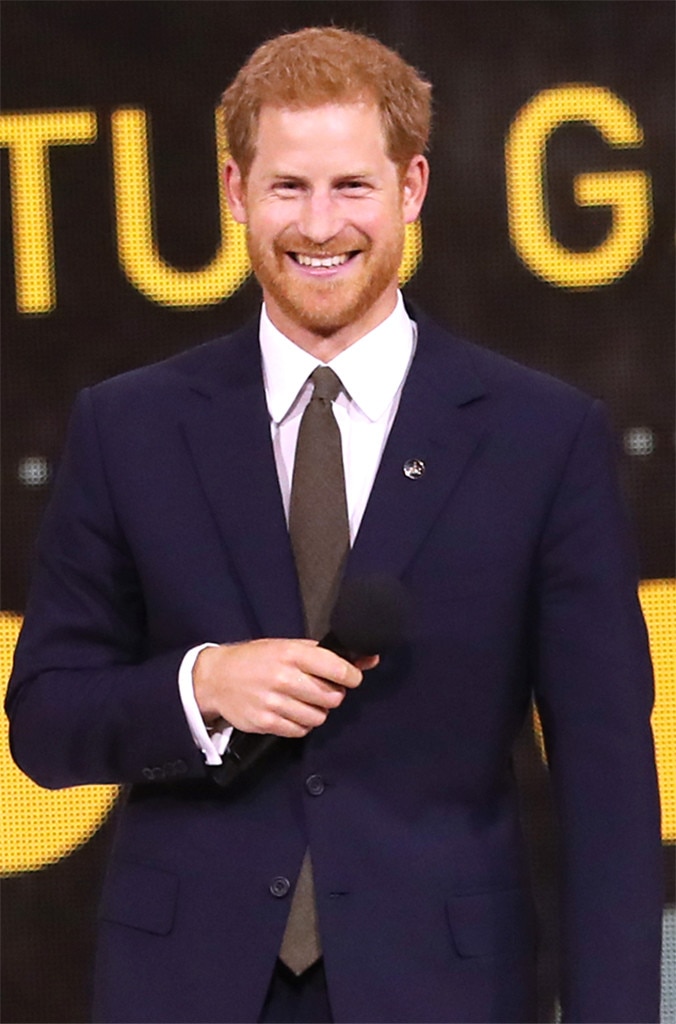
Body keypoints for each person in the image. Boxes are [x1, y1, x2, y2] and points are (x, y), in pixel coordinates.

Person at [6, 26, 662, 1024]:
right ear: (234, 191)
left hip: (443, 991)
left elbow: (607, 780)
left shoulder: (541, 436)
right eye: (287, 187)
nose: (318, 225)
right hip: (185, 989)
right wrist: (203, 686)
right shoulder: (128, 426)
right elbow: (45, 723)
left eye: (352, 186)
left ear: (412, 188)